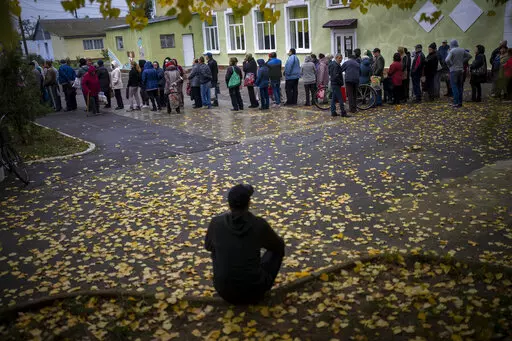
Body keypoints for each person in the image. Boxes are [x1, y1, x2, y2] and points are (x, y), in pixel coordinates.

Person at [205, 184, 285, 305]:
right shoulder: (259, 224)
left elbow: (208, 247)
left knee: (216, 249)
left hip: (224, 291)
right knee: (278, 248)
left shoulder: (216, 222)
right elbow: (278, 245)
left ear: (229, 204)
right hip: (254, 291)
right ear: (249, 203)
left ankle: (228, 278)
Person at [445, 39, 472, 108]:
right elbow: (469, 56)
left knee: (454, 86)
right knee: (460, 86)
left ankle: (455, 102)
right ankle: (460, 102)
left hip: (453, 70)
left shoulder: (452, 51)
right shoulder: (462, 50)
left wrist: (451, 65)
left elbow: (447, 60)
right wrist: (462, 61)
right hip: (461, 70)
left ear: (451, 44)